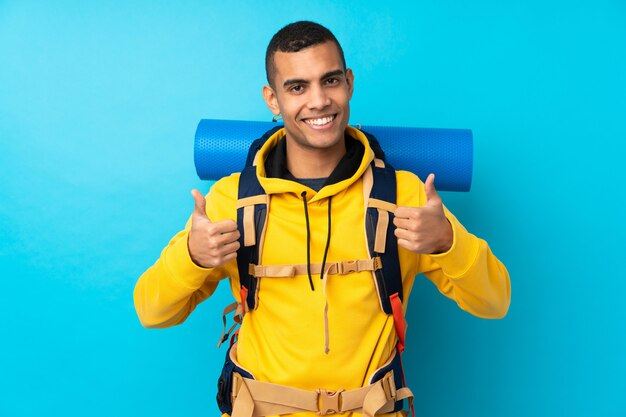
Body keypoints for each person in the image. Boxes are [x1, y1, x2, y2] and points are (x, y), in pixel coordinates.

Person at [134, 21, 510, 417]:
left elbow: (495, 301)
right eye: (297, 87)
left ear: (348, 83)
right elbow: (152, 311)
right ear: (272, 99)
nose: (318, 101)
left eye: (330, 81)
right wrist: (191, 256)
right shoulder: (232, 200)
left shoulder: (406, 197)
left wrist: (448, 241)